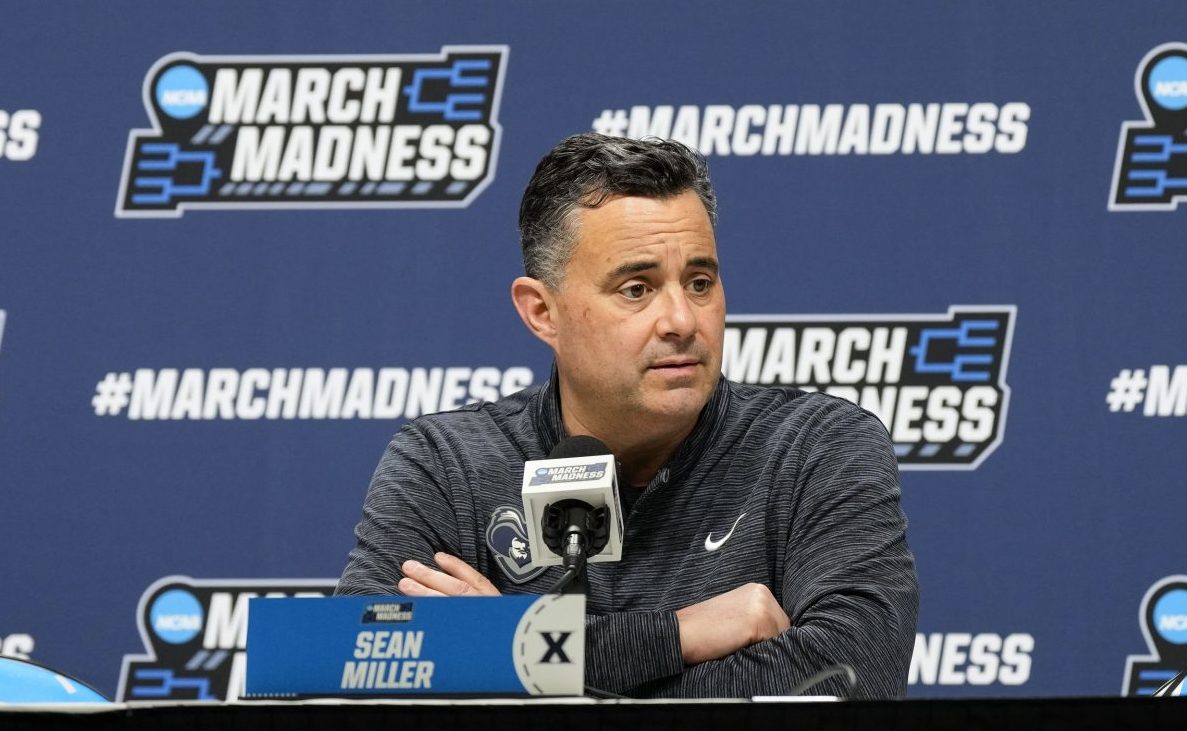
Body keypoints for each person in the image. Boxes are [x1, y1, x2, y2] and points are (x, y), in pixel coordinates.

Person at [336, 132, 919, 698]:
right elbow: (352, 660)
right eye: (637, 289)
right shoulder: (447, 464)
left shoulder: (816, 447)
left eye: (700, 283)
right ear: (542, 312)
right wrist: (677, 636)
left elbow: (849, 675)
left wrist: (510, 651)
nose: (682, 321)